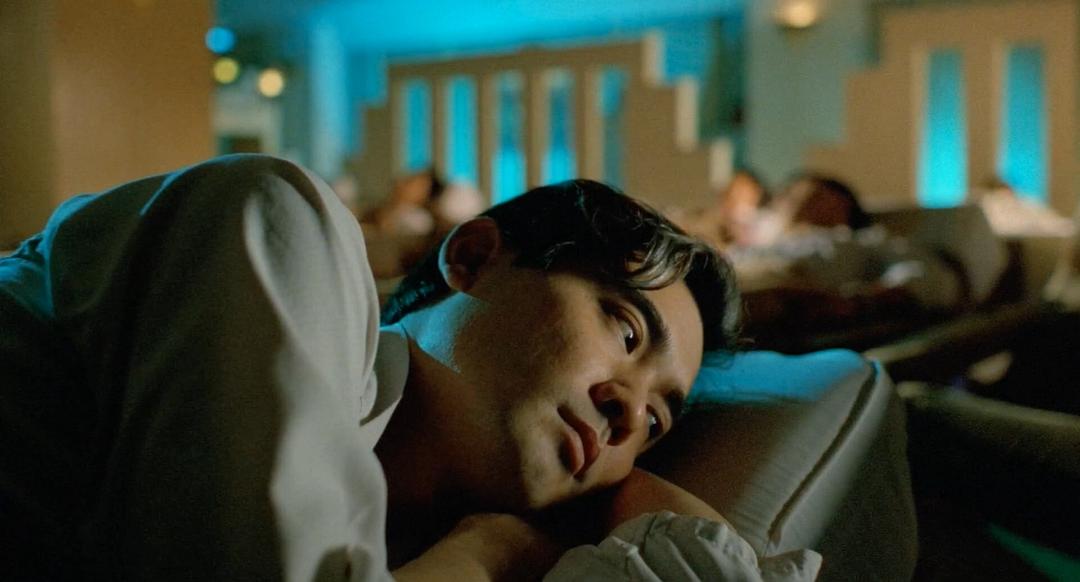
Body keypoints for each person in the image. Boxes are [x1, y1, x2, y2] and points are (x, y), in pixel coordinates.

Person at [0, 154, 820, 580]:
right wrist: (493, 551)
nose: (628, 412)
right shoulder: (283, 223)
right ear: (474, 257)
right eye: (627, 330)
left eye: (658, 421)